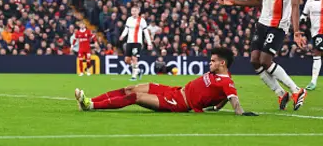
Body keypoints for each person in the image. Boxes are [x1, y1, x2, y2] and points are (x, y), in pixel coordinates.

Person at [216, 0, 307, 111]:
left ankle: (296, 90)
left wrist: (297, 31)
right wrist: (235, 2)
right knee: (254, 61)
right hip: (262, 24)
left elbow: (295, 7)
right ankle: (281, 93)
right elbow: (257, 1)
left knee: (265, 61)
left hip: (278, 26)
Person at [74, 47, 257, 116]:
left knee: (135, 96)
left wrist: (241, 112)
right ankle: (89, 101)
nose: (210, 63)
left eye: (213, 61)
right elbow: (224, 97)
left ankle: (90, 105)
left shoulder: (227, 82)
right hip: (175, 90)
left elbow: (234, 100)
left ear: (222, 63)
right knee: (131, 87)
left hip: (178, 102)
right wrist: (216, 107)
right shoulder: (222, 79)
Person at [119, 6, 153, 81]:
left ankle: (134, 76)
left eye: (135, 11)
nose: (133, 12)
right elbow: (126, 29)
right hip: (129, 42)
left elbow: (146, 32)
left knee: (134, 58)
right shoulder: (129, 19)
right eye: (132, 11)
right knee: (127, 60)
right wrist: (122, 35)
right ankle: (138, 70)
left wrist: (149, 43)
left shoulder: (142, 20)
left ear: (138, 11)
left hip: (137, 42)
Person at [301, 0, 323, 90]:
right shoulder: (309, 3)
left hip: (321, 32)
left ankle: (313, 82)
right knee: (317, 54)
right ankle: (313, 82)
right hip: (314, 33)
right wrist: (302, 21)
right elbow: (303, 16)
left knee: (316, 53)